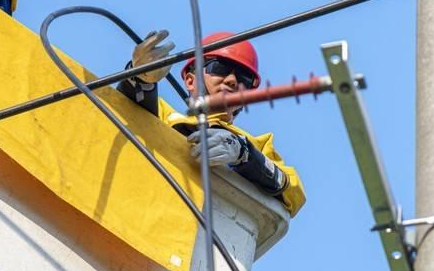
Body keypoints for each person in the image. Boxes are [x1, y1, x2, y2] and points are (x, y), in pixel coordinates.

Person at [118, 31, 306, 216]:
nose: (233, 80)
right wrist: (140, 78)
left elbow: (292, 191)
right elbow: (128, 113)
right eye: (220, 68)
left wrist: (244, 153)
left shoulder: (257, 145)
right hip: (143, 213)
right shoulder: (164, 115)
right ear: (190, 81)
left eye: (244, 79)